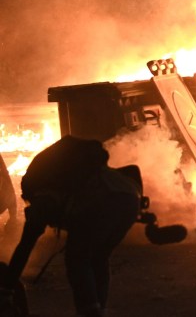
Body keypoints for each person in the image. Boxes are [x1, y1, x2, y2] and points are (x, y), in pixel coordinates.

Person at [1, 136, 143, 317]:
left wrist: (6, 289)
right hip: (130, 197)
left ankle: (90, 311)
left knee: (77, 260)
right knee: (98, 257)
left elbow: (25, 247)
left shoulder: (44, 201)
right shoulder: (67, 182)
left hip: (102, 202)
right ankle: (99, 308)